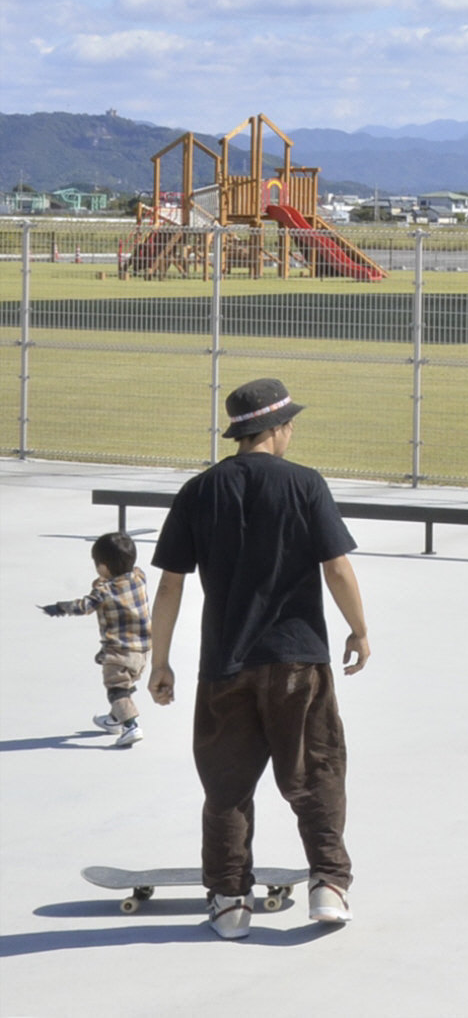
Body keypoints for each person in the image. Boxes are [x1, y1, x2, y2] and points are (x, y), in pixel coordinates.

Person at [148, 377, 371, 939]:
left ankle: (229, 901)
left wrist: (160, 661)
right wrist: (359, 629)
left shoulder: (199, 490)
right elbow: (337, 567)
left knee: (226, 787)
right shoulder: (304, 484)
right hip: (298, 661)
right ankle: (328, 885)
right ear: (278, 428)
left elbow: (171, 584)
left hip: (225, 664)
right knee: (316, 773)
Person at [40, 532, 152, 748]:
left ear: (103, 567)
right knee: (125, 683)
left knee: (116, 688)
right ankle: (114, 719)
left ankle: (131, 725)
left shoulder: (104, 590)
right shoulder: (139, 577)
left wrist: (60, 608)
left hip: (119, 651)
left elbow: (84, 606)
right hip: (143, 650)